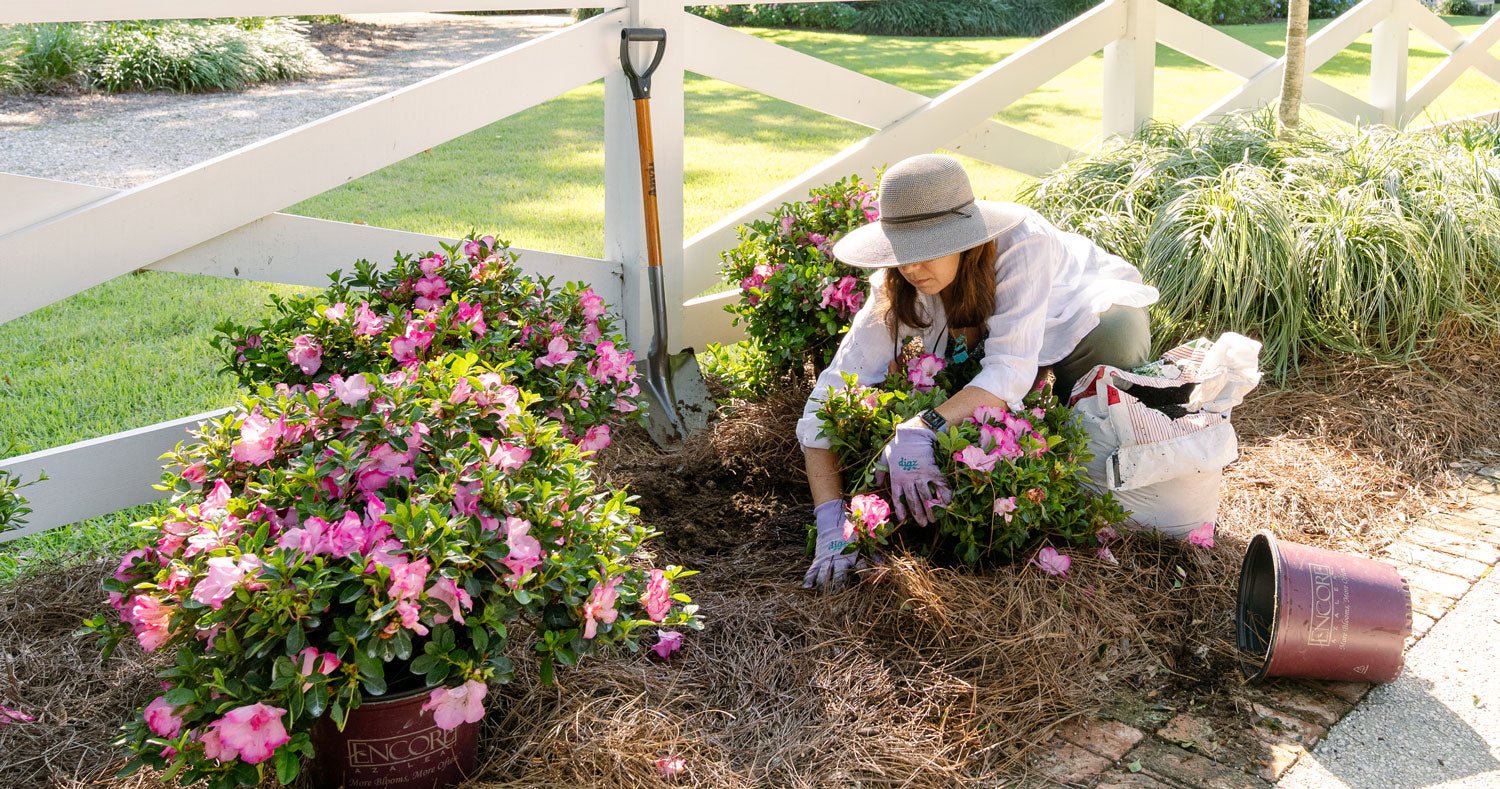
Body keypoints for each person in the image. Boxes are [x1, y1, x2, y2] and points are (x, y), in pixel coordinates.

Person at [799, 153, 1160, 590]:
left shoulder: (1024, 245)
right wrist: (830, 518)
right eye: (901, 254)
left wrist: (920, 426)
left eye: (925, 251)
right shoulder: (897, 283)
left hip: (1084, 316)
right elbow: (832, 390)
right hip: (1012, 336)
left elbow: (1008, 370)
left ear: (965, 237)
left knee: (1097, 402)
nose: (911, 268)